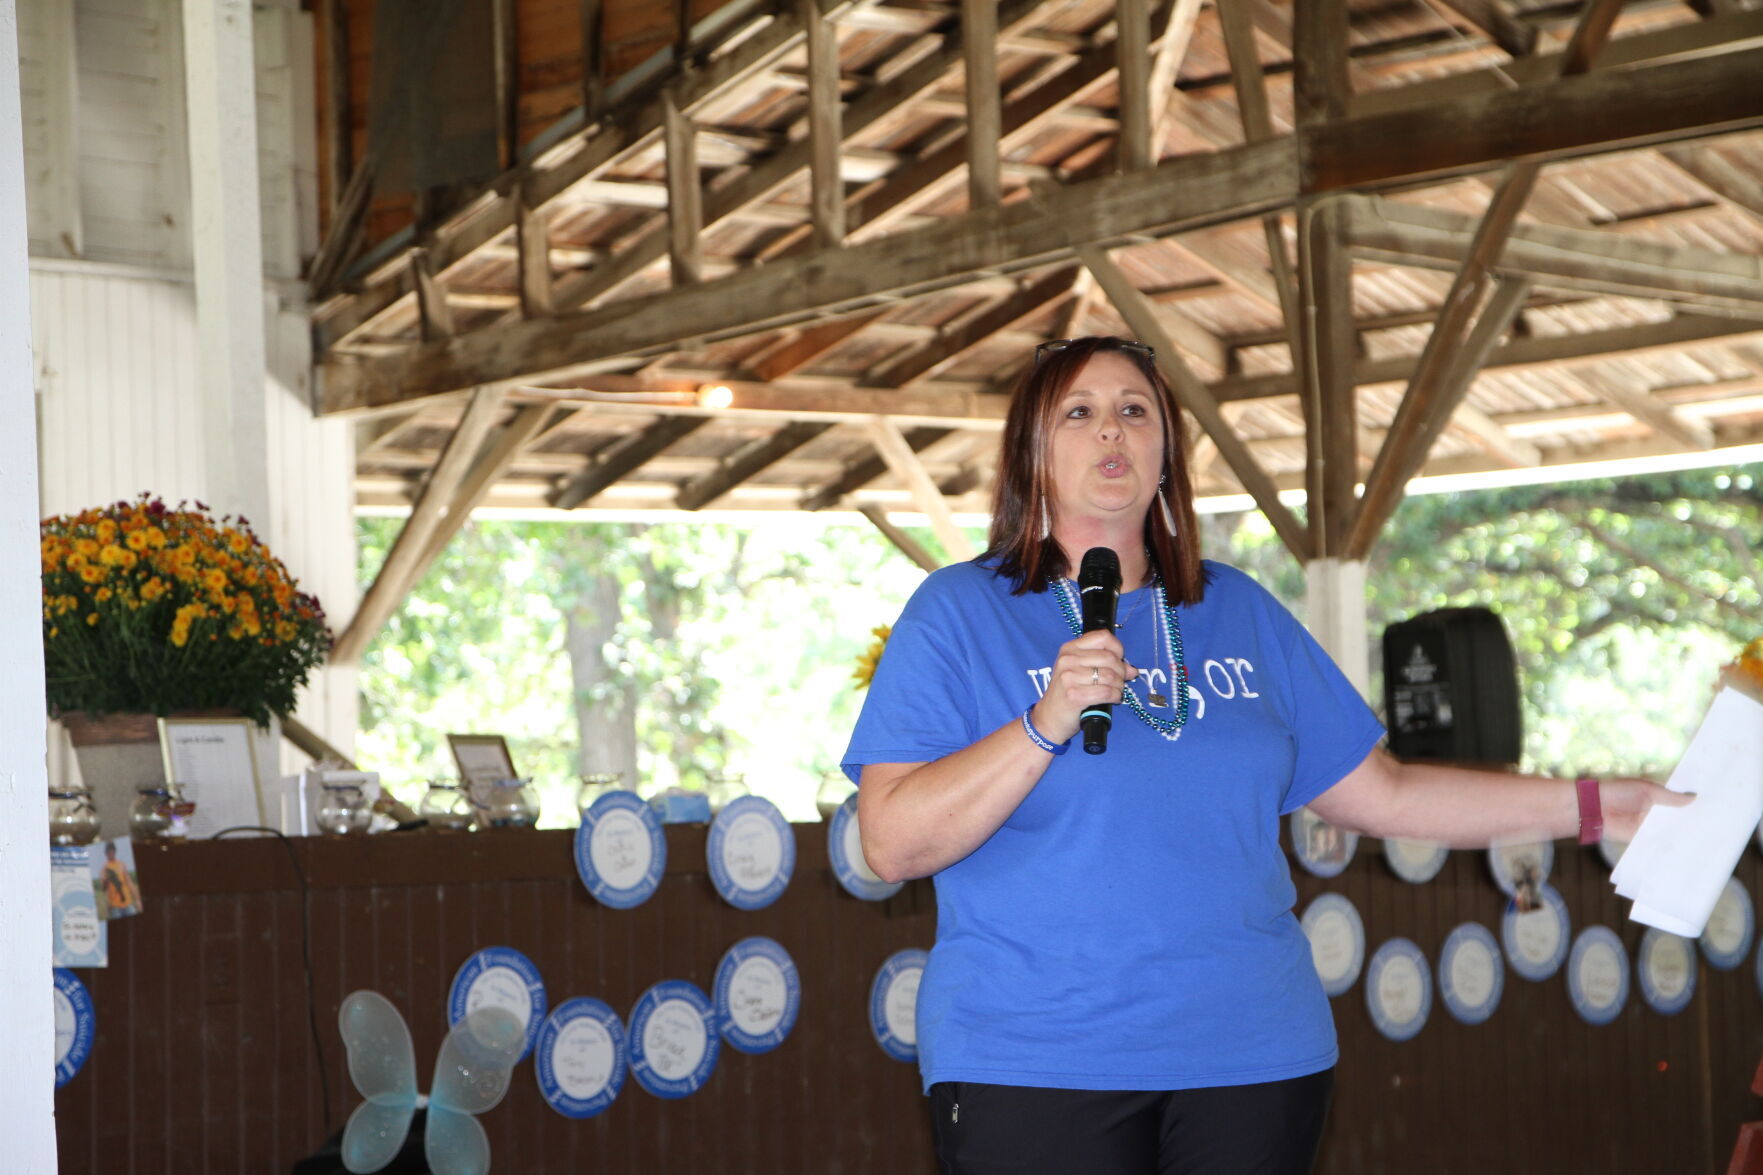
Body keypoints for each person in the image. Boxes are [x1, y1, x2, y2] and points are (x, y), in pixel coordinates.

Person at [840, 335, 1688, 1175]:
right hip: (1034, 1061)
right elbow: (889, 842)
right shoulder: (956, 612)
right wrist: (1043, 721)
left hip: (1253, 1056)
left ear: (1166, 451)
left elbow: (1386, 793)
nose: (1112, 432)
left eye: (1134, 412)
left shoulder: (1236, 609)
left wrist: (1594, 803)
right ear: (1031, 451)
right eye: (1079, 413)